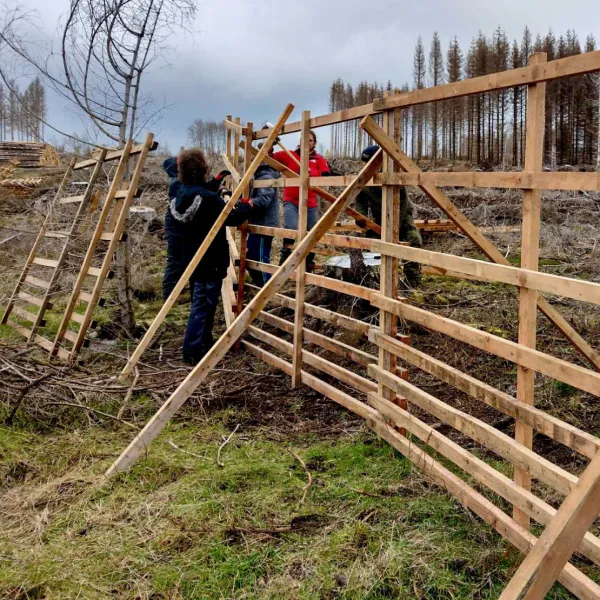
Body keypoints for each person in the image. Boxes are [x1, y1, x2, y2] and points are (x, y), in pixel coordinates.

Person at [167, 148, 252, 364]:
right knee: (203, 303)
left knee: (203, 300)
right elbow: (231, 218)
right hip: (210, 259)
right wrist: (245, 206)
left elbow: (202, 198)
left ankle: (203, 343)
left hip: (191, 259)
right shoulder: (208, 199)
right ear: (202, 168)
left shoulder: (181, 193)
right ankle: (193, 350)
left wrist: (215, 187)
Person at [162, 158, 231, 300]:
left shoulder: (181, 182)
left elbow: (199, 192)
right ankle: (168, 295)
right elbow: (198, 195)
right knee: (175, 261)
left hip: (180, 226)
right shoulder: (177, 184)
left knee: (184, 260)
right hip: (177, 229)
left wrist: (215, 182)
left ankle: (182, 292)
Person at [355, 145, 423, 286]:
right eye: (365, 163)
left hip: (402, 216)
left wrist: (394, 226)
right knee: (371, 244)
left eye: (370, 163)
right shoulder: (365, 179)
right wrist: (360, 218)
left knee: (413, 240)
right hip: (379, 218)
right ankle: (373, 280)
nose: (366, 166)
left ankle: (412, 280)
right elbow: (360, 201)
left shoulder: (393, 175)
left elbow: (402, 203)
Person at [271, 130, 330, 270]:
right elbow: (269, 157)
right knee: (291, 227)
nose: (307, 143)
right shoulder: (290, 155)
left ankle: (307, 261)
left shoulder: (319, 159)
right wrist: (270, 144)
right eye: (304, 140)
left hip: (310, 203)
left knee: (311, 231)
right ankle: (285, 259)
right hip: (291, 200)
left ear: (314, 143)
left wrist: (310, 172)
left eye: (310, 140)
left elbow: (326, 175)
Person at [246, 144, 280, 286]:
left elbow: (264, 200)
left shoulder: (266, 177)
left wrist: (247, 203)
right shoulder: (258, 176)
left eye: (255, 157)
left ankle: (267, 290)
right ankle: (262, 286)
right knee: (251, 258)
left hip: (264, 226)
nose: (253, 159)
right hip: (257, 224)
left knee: (259, 260)